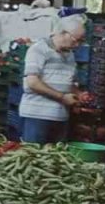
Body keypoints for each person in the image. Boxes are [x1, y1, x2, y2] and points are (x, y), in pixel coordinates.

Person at [19, 15, 87, 144]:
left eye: (81, 41)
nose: (77, 45)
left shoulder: (70, 54)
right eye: (75, 40)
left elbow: (68, 82)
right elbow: (33, 82)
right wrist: (62, 97)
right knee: (34, 157)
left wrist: (78, 94)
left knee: (55, 160)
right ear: (63, 33)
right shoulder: (39, 49)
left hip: (60, 117)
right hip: (38, 116)